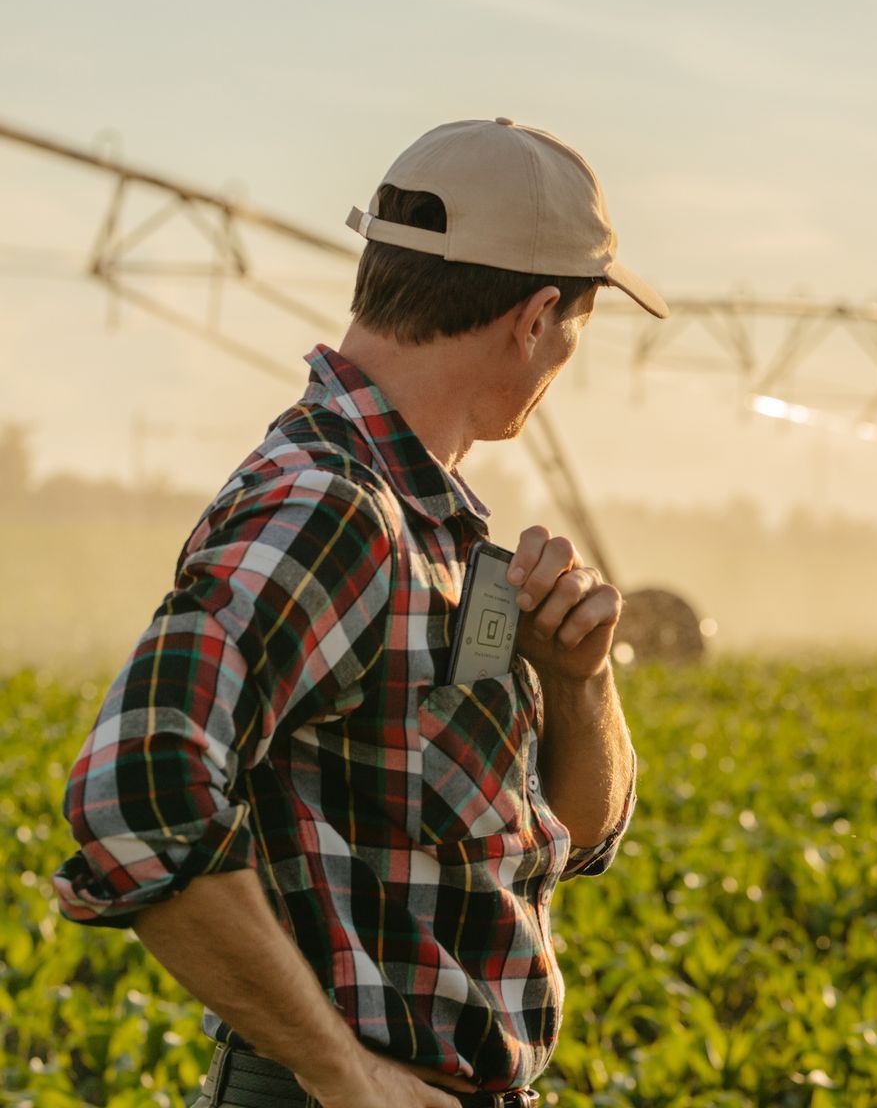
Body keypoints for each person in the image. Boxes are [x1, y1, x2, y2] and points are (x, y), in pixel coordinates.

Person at [53, 117, 669, 1108]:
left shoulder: (428, 522)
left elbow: (580, 832)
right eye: (579, 327)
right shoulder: (332, 503)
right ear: (537, 315)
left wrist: (579, 674)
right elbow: (137, 790)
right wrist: (340, 1069)